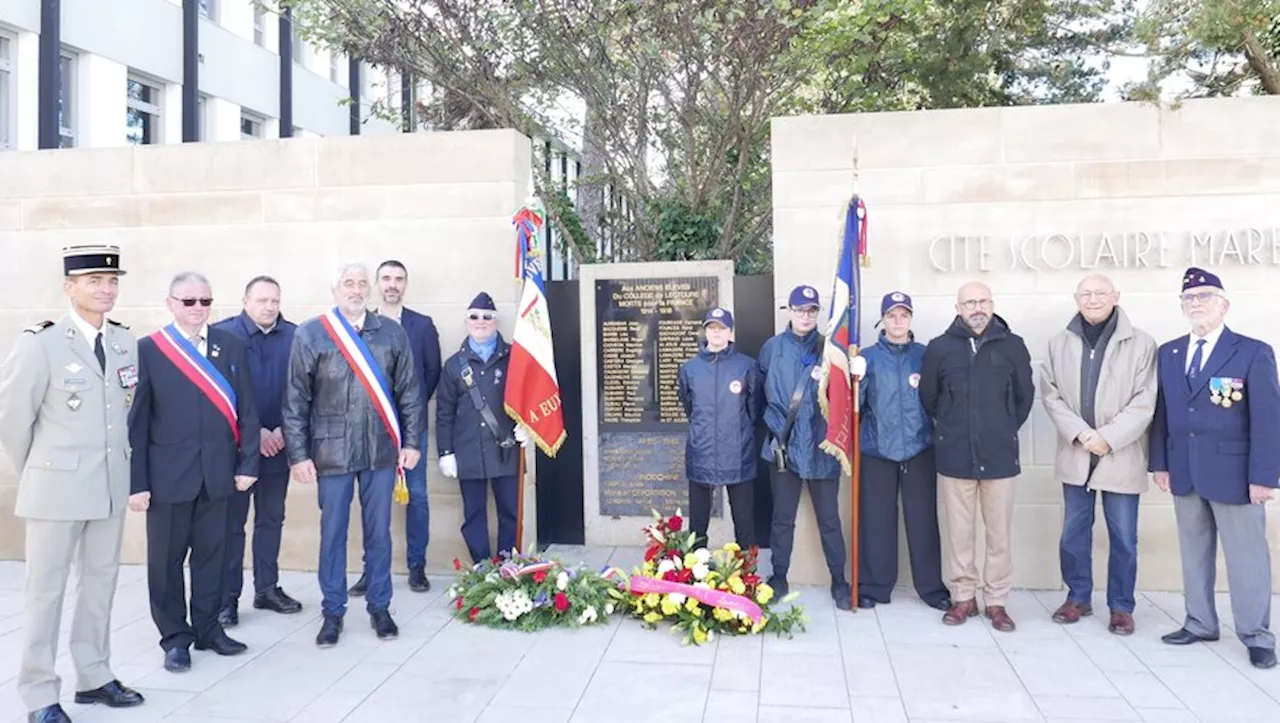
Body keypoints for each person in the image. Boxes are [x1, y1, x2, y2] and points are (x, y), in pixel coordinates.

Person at [0, 246, 145, 723]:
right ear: (69, 287)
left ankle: (95, 675)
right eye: (93, 281)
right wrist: (41, 471)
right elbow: (12, 420)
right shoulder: (41, 343)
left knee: (101, 584)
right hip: (55, 491)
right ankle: (40, 694)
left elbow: (120, 413)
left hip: (107, 487)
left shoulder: (124, 341)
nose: (106, 289)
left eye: (112, 281)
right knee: (45, 592)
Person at [283, 262, 423, 648]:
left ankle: (380, 607)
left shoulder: (391, 333)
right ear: (335, 290)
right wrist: (298, 454)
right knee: (333, 534)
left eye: (362, 283)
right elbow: (295, 399)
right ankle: (332, 611)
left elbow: (409, 392)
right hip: (331, 451)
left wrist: (411, 443)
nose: (356, 289)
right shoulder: (312, 333)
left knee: (379, 532)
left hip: (380, 449)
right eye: (348, 283)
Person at [129, 271, 261, 673]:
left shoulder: (231, 346)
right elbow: (137, 422)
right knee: (165, 563)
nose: (198, 309)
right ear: (170, 304)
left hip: (219, 474)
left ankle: (207, 629)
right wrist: (138, 484)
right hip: (168, 478)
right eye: (189, 302)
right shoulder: (150, 350)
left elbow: (248, 410)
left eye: (205, 301)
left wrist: (248, 463)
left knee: (213, 559)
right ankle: (175, 638)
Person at [1149, 267, 1279, 670]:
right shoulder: (1169, 352)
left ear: (1224, 305)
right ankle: (1200, 621)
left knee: (1247, 558)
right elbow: (1163, 413)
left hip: (1235, 473)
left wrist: (1264, 476)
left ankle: (1256, 634)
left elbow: (1268, 418)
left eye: (1205, 296)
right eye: (1189, 298)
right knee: (1194, 552)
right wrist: (1160, 463)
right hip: (1184, 470)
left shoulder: (1252, 351)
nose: (1197, 304)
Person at [1040, 274, 1156, 636]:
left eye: (1100, 293)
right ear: (1076, 298)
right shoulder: (1060, 342)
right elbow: (1050, 393)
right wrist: (1080, 433)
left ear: (1116, 297)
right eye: (1086, 294)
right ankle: (1078, 596)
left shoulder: (1141, 343)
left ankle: (1121, 606)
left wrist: (1107, 437)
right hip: (1077, 454)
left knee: (1123, 537)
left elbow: (1145, 401)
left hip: (1120, 454)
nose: (1093, 299)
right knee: (1073, 534)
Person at [919, 281, 1033, 633]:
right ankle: (963, 597)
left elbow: (1023, 398)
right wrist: (953, 429)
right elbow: (930, 398)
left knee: (999, 535)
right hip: (955, 458)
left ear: (992, 303)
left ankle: (996, 601)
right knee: (960, 533)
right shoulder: (940, 348)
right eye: (970, 302)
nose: (977, 307)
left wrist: (999, 428)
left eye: (983, 301)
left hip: (999, 458)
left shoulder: (1013, 346)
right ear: (958, 307)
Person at [211, 276, 302, 627]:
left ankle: (267, 588)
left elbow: (301, 389)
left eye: (274, 301)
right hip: (238, 449)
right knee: (232, 526)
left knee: (271, 520)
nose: (269, 307)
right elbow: (217, 393)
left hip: (279, 445)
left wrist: (281, 429)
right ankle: (227, 598)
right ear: (245, 300)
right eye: (262, 300)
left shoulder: (295, 336)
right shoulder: (223, 335)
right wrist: (255, 432)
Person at [350, 259, 442, 597]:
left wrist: (409, 411)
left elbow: (432, 372)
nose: (392, 284)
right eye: (386, 278)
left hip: (410, 428)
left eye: (399, 279)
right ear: (376, 284)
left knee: (416, 496)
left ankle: (417, 566)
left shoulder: (422, 325)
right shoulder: (360, 325)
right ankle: (370, 569)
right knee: (372, 500)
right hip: (369, 430)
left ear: (406, 284)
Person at [854, 292, 949, 611]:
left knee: (923, 520)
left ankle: (931, 588)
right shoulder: (867, 357)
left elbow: (938, 399)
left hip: (919, 448)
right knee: (876, 520)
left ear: (910, 319)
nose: (897, 321)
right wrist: (856, 378)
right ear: (882, 319)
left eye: (903, 315)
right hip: (878, 449)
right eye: (891, 315)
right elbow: (857, 406)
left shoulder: (926, 355)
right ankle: (874, 585)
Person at [759, 284, 851, 611]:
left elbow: (846, 398)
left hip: (821, 446)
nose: (806, 316)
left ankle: (839, 581)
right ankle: (780, 577)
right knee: (782, 518)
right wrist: (776, 431)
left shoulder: (832, 350)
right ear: (789, 311)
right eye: (800, 309)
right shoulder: (772, 348)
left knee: (829, 520)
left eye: (812, 310)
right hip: (783, 447)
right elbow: (761, 394)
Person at [436, 292, 530, 563]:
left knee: (510, 512)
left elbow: (529, 397)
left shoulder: (515, 357)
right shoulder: (454, 365)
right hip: (468, 452)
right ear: (467, 322)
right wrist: (445, 452)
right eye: (474, 316)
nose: (481, 321)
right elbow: (444, 412)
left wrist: (528, 428)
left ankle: (507, 567)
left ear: (496, 322)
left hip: (507, 450)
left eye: (487, 317)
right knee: (474, 514)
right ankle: (480, 567)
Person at [676, 307, 760, 547]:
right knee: (698, 524)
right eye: (711, 327)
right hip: (702, 451)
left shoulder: (746, 366)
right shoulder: (689, 369)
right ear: (705, 331)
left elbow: (753, 410)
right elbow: (689, 407)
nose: (716, 332)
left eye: (721, 328)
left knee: (744, 520)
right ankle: (695, 575)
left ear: (730, 333)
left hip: (738, 453)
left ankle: (747, 575)